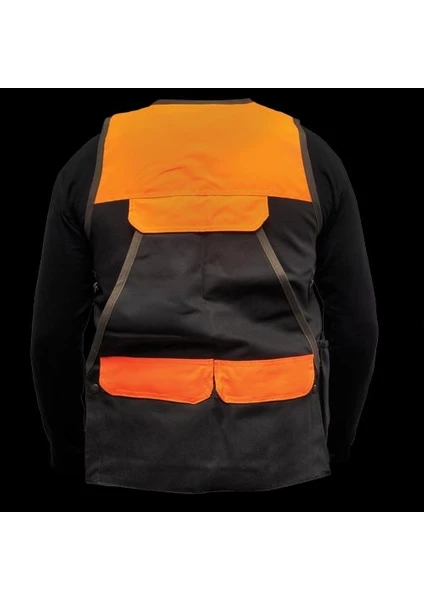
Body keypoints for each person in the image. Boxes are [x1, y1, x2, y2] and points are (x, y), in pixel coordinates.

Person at [31, 97, 378, 493]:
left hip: (129, 450)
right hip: (285, 450)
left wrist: (70, 452)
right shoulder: (308, 154)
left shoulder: (98, 157)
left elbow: (53, 336)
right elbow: (357, 327)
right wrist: (336, 443)